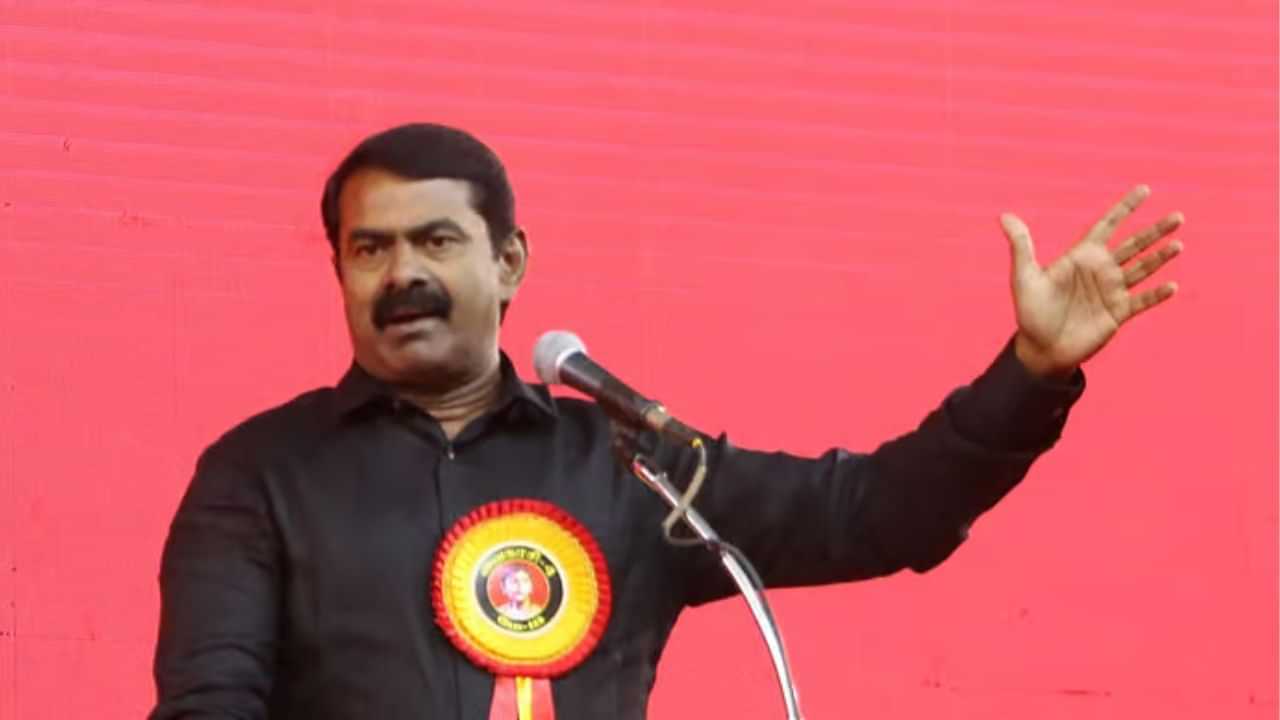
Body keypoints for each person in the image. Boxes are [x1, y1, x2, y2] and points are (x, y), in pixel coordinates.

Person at [149, 123, 1183, 719]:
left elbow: (877, 513)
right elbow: (209, 704)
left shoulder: (626, 460)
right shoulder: (258, 472)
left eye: (436, 241)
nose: (402, 273)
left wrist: (1032, 371)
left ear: (508, 263)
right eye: (369, 249)